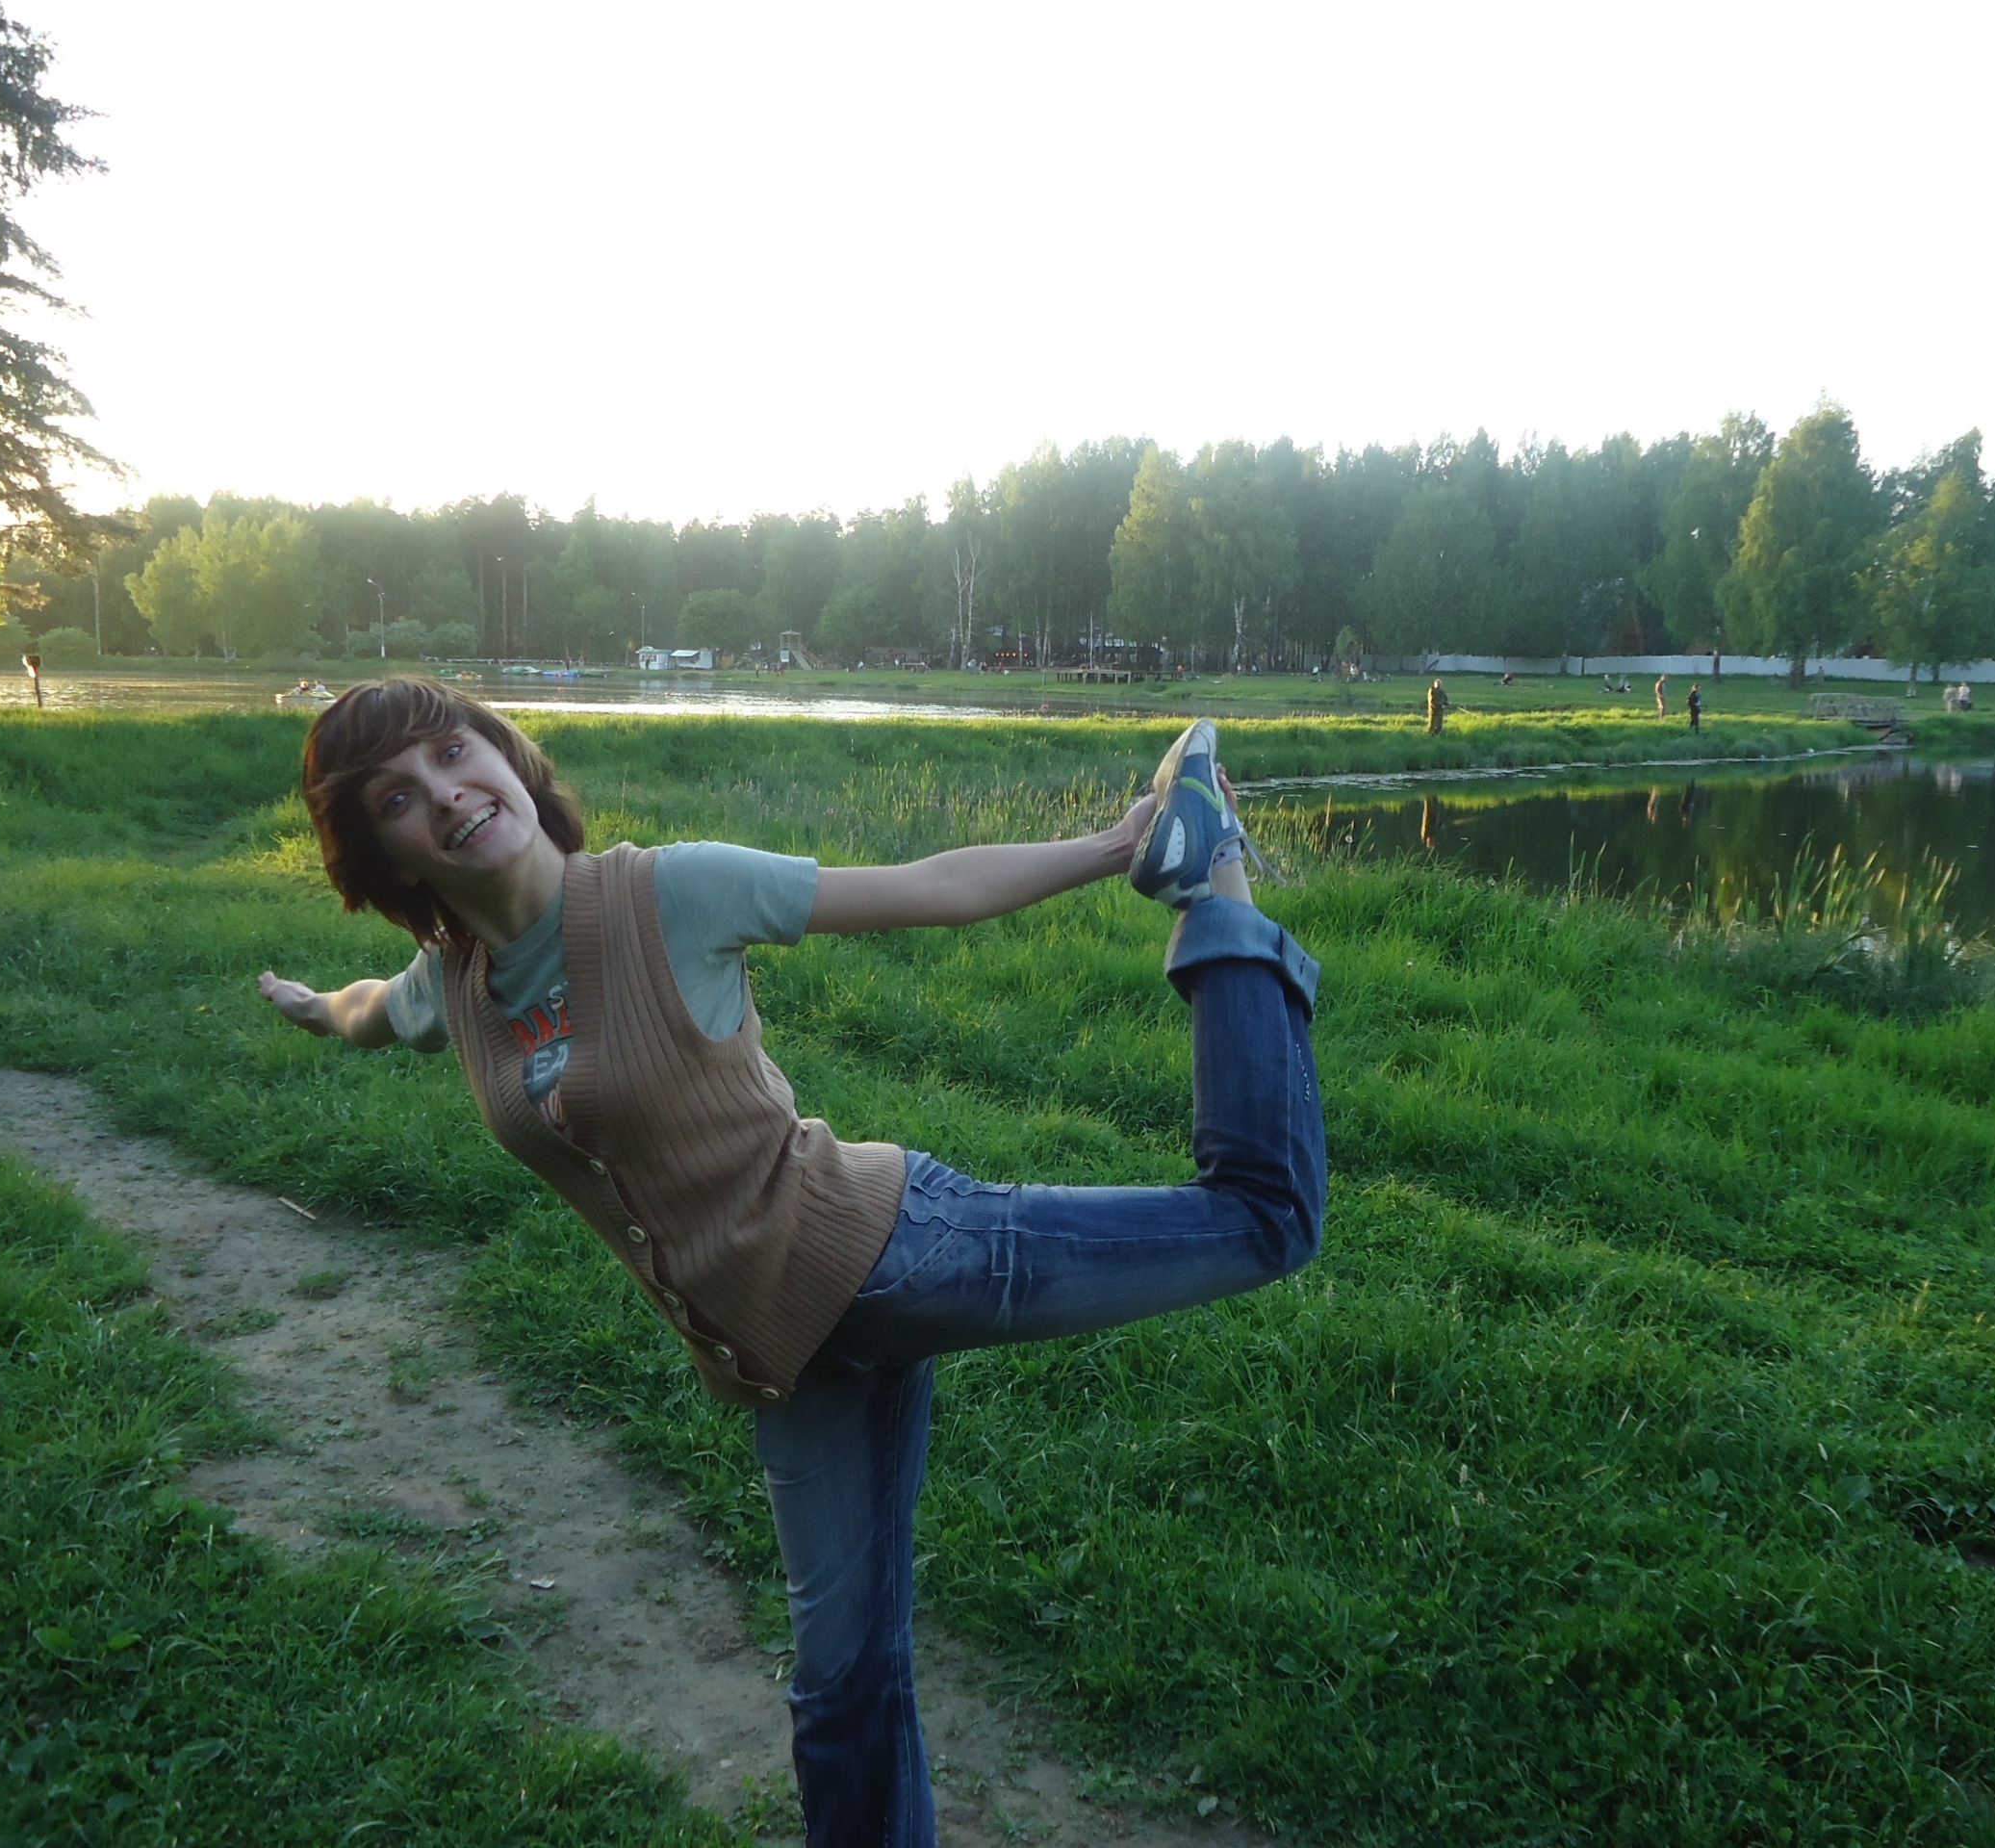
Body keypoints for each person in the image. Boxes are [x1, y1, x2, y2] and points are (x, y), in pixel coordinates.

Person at [253, 680, 1324, 1846]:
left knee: (1261, 1215)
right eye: (396, 798)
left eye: (454, 752)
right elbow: (370, 1008)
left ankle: (1213, 878)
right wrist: (311, 1006)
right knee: (840, 1683)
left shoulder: (669, 890)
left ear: (508, 756)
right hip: (786, 1356)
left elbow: (929, 888)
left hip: (893, 1249)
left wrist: (1120, 845)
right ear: (383, 856)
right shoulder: (451, 987)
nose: (446, 794)